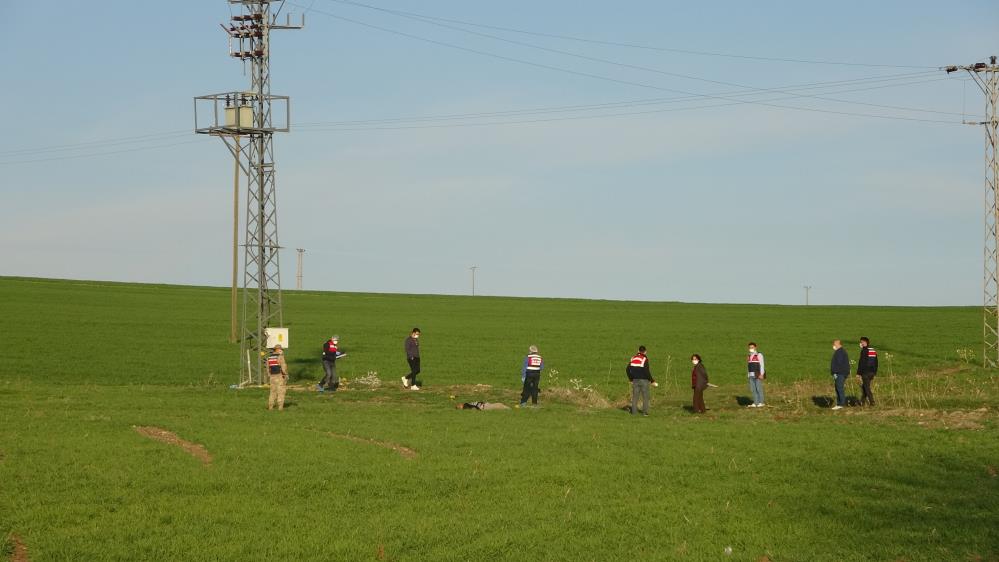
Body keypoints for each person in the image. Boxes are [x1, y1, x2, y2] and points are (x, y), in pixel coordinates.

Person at [626, 345, 653, 416]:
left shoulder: (633, 358)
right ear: (645, 352)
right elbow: (647, 371)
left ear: (638, 351)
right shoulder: (645, 359)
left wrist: (631, 378)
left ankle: (633, 413)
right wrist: (652, 380)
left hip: (635, 380)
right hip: (644, 380)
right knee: (645, 397)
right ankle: (645, 413)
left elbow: (627, 369)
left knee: (635, 397)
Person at [857, 336, 879, 406]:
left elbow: (862, 363)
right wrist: (874, 372)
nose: (860, 343)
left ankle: (872, 402)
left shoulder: (864, 351)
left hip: (865, 373)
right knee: (864, 387)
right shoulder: (872, 350)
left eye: (861, 342)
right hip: (872, 372)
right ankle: (862, 402)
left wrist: (858, 373)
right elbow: (876, 362)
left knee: (866, 388)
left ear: (865, 342)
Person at [266, 344, 289, 411]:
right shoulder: (280, 357)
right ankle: (280, 407)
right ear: (278, 350)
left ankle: (270, 406)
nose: (282, 351)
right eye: (281, 349)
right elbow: (283, 367)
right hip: (279, 376)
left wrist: (269, 375)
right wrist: (286, 375)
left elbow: (268, 368)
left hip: (272, 377)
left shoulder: (269, 358)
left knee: (272, 392)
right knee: (281, 392)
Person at [830, 340, 850, 410]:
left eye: (834, 344)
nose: (833, 345)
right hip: (840, 373)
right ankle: (839, 403)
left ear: (838, 344)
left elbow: (839, 364)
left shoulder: (840, 352)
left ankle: (841, 404)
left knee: (839, 388)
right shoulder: (839, 351)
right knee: (838, 388)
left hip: (840, 373)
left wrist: (835, 372)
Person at [746, 342, 766, 408]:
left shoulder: (759, 355)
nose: (751, 349)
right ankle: (755, 402)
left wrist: (761, 374)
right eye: (750, 347)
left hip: (757, 374)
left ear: (755, 347)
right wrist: (748, 375)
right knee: (753, 389)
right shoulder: (749, 356)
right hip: (751, 375)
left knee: (758, 388)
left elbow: (762, 365)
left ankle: (761, 402)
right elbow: (748, 366)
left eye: (752, 347)